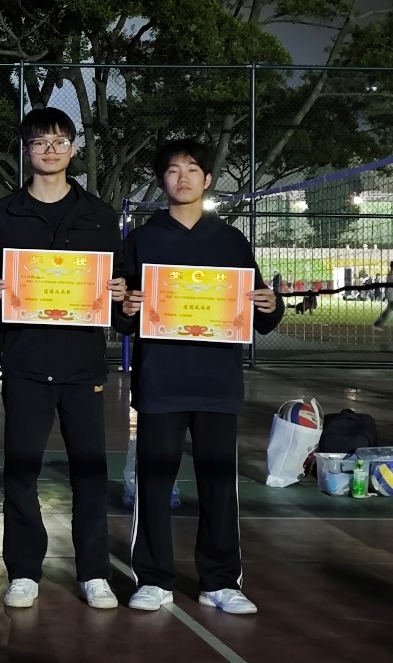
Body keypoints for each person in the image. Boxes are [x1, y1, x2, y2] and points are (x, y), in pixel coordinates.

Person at [116, 140, 283, 615]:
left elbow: (260, 313)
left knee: (218, 487)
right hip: (160, 383)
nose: (183, 177)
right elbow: (121, 316)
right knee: (153, 484)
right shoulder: (141, 240)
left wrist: (271, 304)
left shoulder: (231, 241)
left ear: (208, 180)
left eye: (192, 169)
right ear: (162, 181)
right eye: (173, 170)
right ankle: (153, 579)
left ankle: (220, 581)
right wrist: (125, 308)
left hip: (217, 384)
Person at [0, 106, 127, 612]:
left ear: (73, 148)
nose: (50, 150)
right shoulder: (1, 216)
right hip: (24, 364)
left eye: (60, 141)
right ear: (27, 150)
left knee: (90, 474)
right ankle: (23, 571)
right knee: (21, 473)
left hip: (83, 366)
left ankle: (95, 573)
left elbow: (119, 289)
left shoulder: (100, 216)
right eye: (40, 142)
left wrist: (119, 293)